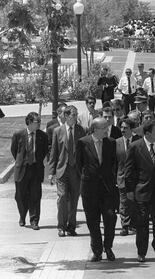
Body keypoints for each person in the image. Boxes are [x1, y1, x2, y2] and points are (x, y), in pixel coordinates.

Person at [125, 120, 155, 263]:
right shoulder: (135, 147)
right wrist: (129, 189)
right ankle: (141, 251)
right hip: (141, 191)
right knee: (142, 223)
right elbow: (129, 170)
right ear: (147, 133)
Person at [76, 117, 118, 262]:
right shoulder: (83, 142)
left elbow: (113, 163)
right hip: (90, 189)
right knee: (92, 222)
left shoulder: (111, 143)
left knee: (110, 218)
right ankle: (97, 250)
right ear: (95, 129)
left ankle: (108, 247)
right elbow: (78, 164)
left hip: (107, 189)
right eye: (104, 128)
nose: (107, 130)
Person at [49, 106, 86, 237]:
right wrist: (51, 172)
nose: (75, 117)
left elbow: (84, 152)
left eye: (76, 115)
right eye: (73, 115)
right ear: (66, 116)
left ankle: (71, 226)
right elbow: (54, 152)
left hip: (76, 171)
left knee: (74, 199)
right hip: (62, 170)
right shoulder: (57, 131)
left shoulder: (81, 131)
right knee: (63, 197)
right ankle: (61, 226)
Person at [11, 112, 48, 230]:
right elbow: (14, 150)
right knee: (20, 196)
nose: (39, 124)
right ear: (30, 122)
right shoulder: (18, 134)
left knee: (35, 196)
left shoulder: (43, 135)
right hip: (22, 169)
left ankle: (34, 220)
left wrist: (36, 161)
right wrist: (21, 161)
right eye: (37, 122)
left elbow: (44, 151)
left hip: (36, 169)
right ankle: (22, 215)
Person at [116, 118, 139, 236]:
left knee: (134, 202)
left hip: (135, 178)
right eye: (122, 127)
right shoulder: (117, 142)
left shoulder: (138, 141)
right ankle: (125, 226)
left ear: (131, 129)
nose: (123, 130)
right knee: (123, 202)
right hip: (122, 177)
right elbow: (114, 162)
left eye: (125, 128)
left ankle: (133, 225)